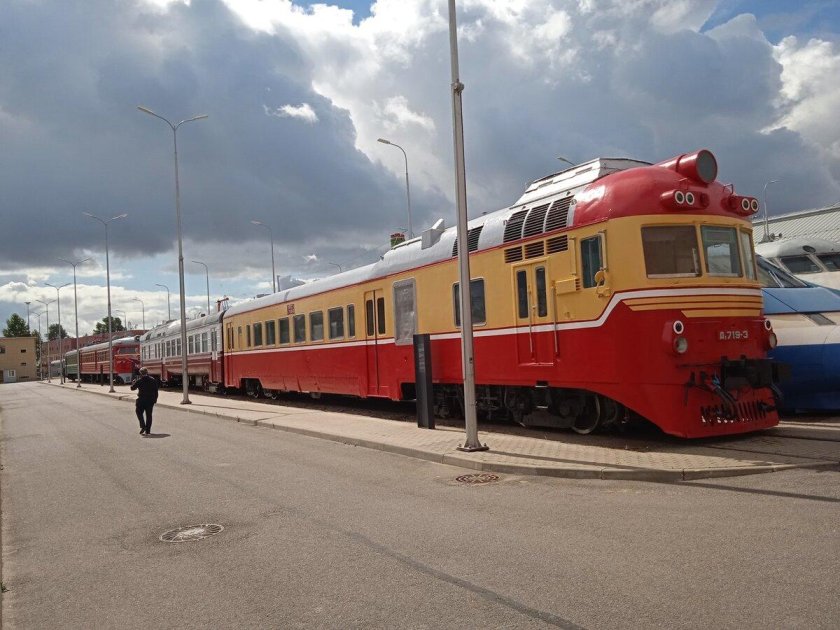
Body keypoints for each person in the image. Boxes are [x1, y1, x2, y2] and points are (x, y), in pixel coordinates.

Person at [130, 367, 159, 435]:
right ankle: (148, 431)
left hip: (141, 400)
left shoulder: (139, 381)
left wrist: (133, 383)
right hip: (150, 400)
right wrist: (155, 400)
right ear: (147, 372)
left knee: (138, 412)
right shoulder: (153, 380)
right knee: (149, 415)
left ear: (140, 373)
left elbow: (132, 388)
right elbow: (156, 391)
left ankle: (143, 426)